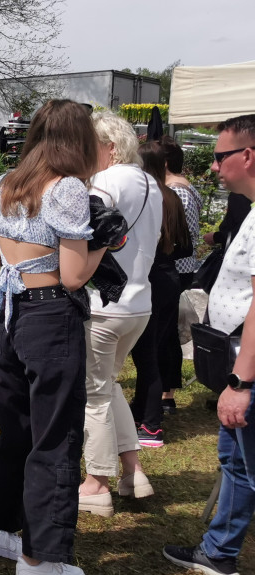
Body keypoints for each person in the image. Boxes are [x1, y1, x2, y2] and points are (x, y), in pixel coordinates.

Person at [0, 99, 107, 575]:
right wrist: (104, 248)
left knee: (17, 430)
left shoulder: (6, 181)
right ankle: (40, 559)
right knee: (55, 435)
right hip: (50, 313)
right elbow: (73, 276)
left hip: (8, 312)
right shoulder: (67, 188)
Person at [164, 115, 255, 575]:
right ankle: (219, 552)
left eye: (220, 156)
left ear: (250, 155)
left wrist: (241, 380)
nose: (213, 165)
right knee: (235, 463)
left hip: (248, 364)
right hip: (237, 358)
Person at [78, 112, 162, 517]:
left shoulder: (105, 182)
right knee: (108, 386)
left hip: (104, 303)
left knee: (94, 395)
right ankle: (133, 471)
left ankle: (96, 483)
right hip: (139, 302)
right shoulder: (151, 183)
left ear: (110, 147)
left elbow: (89, 235)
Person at [128, 142, 191, 447]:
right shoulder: (170, 197)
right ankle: (142, 411)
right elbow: (187, 247)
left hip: (149, 277)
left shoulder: (145, 196)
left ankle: (151, 424)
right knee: (150, 351)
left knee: (146, 354)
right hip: (168, 277)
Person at [159, 136, 202, 414]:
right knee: (166, 333)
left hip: (177, 267)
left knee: (166, 334)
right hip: (178, 267)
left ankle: (167, 393)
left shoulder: (178, 191)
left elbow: (181, 238)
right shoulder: (182, 188)